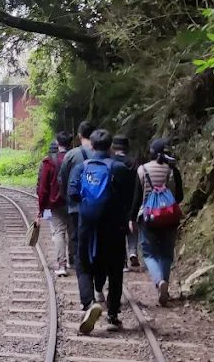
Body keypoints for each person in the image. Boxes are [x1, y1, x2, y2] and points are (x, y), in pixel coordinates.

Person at [67, 130, 136, 334]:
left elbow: (71, 193)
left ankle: (89, 304)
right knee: (115, 270)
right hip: (114, 227)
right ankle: (113, 316)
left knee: (83, 266)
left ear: (92, 146)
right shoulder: (120, 168)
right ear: (110, 147)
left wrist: (87, 206)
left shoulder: (81, 168)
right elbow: (129, 196)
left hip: (87, 225)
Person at [135, 138, 184, 306]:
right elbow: (180, 197)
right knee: (166, 254)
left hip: (148, 218)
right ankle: (165, 285)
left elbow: (137, 198)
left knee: (149, 253)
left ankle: (158, 282)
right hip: (169, 218)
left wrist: (131, 218)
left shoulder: (142, 170)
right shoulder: (172, 170)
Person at [58, 121, 97, 301]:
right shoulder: (102, 153)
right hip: (99, 206)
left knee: (77, 237)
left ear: (80, 135)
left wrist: (68, 199)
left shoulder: (72, 155)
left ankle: (78, 263)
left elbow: (63, 179)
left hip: (76, 206)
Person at [37, 132, 72, 277]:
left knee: (59, 232)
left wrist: (41, 208)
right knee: (73, 231)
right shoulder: (76, 158)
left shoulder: (49, 162)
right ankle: (74, 261)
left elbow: (43, 188)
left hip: (56, 202)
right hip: (74, 202)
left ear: (58, 143)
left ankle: (62, 264)